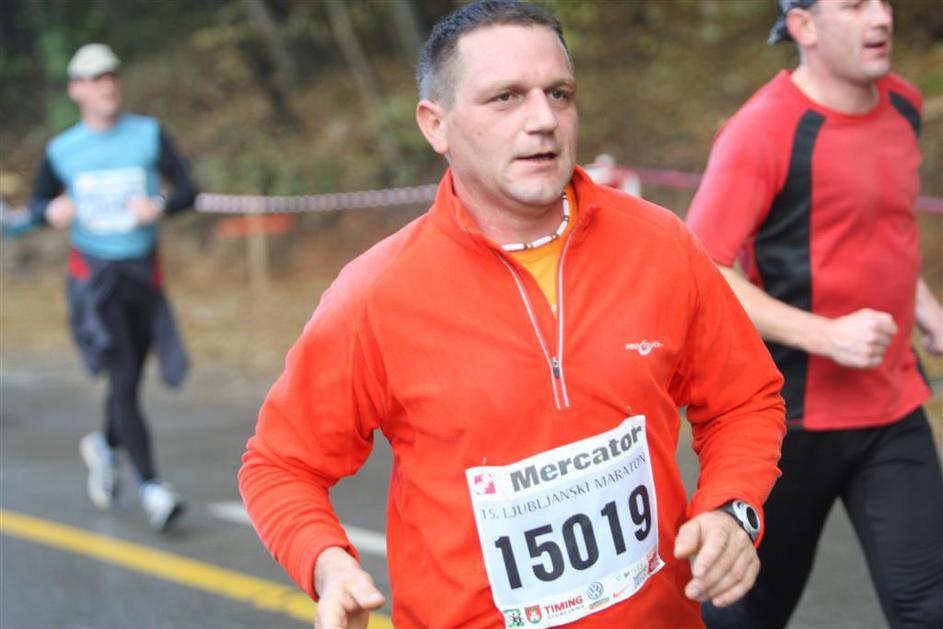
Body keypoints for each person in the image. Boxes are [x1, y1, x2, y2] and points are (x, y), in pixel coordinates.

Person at [239, 3, 785, 628]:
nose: (543, 119)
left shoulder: (660, 244)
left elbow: (745, 400)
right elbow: (280, 465)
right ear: (436, 125)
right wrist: (327, 565)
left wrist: (731, 507)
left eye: (559, 94)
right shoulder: (374, 295)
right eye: (506, 97)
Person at [686, 1, 943, 627]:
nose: (880, 18)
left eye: (883, 1)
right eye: (854, 4)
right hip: (790, 418)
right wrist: (827, 335)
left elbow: (882, 227)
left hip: (893, 407)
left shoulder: (904, 104)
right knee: (746, 614)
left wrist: (928, 309)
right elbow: (702, 268)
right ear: (803, 26)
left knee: (929, 606)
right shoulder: (763, 130)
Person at [28, 43, 197, 532]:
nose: (108, 86)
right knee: (122, 377)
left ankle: (105, 445)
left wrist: (159, 204)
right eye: (96, 78)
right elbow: (39, 204)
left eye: (112, 76)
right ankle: (152, 487)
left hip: (143, 274)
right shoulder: (63, 150)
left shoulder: (148, 134)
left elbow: (188, 190)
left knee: (130, 379)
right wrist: (51, 211)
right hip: (95, 280)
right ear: (76, 89)